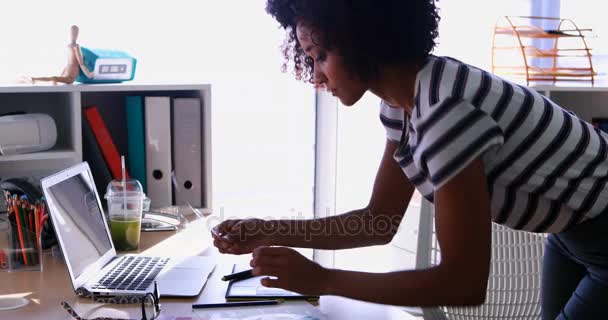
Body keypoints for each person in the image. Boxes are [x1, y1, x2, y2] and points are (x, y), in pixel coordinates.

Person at [212, 1, 608, 318]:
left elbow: (463, 282)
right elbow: (377, 222)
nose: (315, 76)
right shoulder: (402, 107)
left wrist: (322, 279)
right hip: (571, 233)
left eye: (318, 55)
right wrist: (267, 230)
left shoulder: (444, 110)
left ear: (359, 39)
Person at [20, 25, 94, 85]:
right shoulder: (75, 46)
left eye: (75, 33)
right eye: (74, 33)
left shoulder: (69, 46)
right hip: (71, 72)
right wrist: (89, 74)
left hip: (69, 70)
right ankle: (33, 79)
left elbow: (71, 63)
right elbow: (81, 63)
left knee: (55, 78)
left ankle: (34, 79)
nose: (74, 35)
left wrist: (62, 74)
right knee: (55, 78)